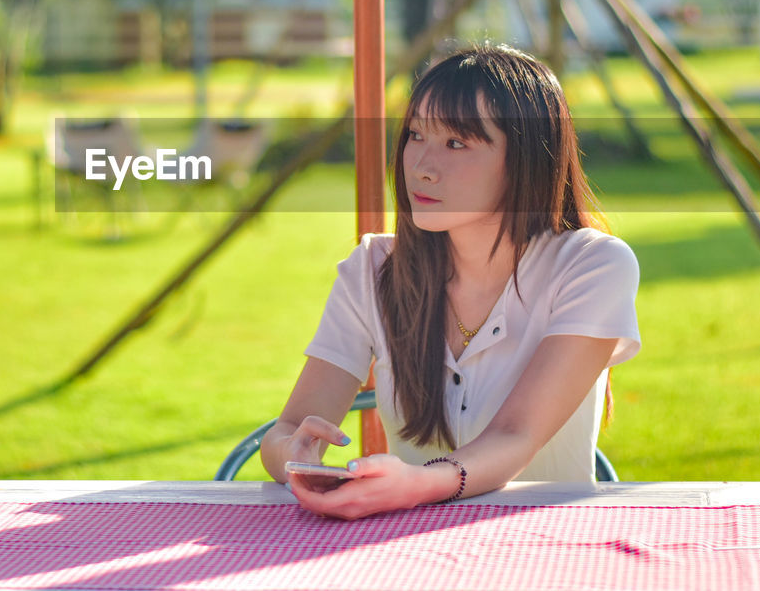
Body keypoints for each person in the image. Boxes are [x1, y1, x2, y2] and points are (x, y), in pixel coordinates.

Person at [259, 44, 640, 520]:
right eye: (416, 135)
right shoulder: (373, 267)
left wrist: (416, 483)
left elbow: (515, 435)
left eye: (456, 143)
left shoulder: (593, 266)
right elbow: (288, 429)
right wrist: (297, 458)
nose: (421, 165)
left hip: (548, 545)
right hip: (403, 547)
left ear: (525, 159)